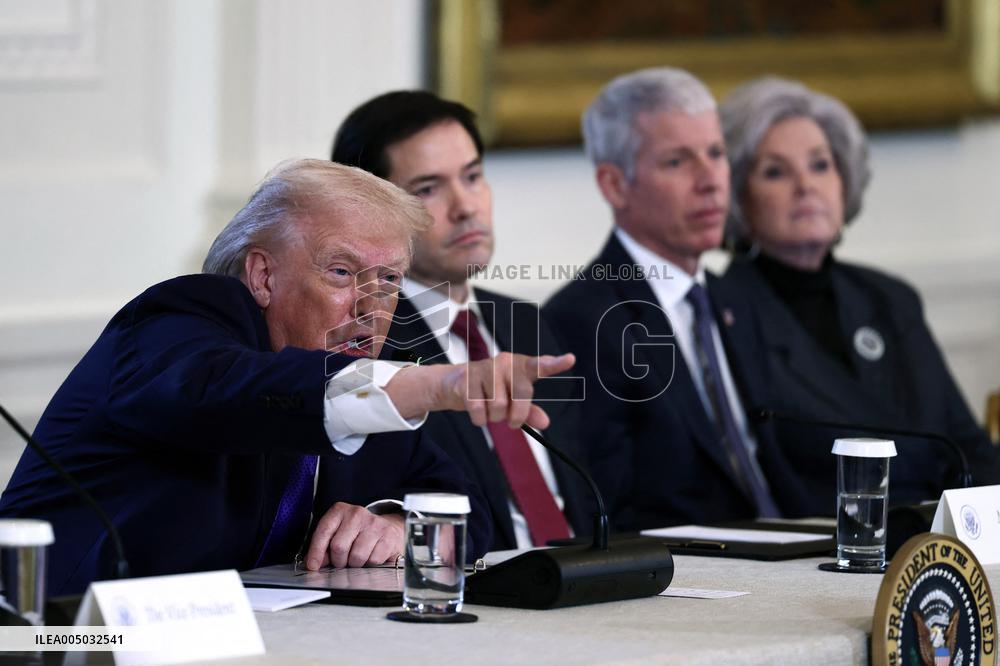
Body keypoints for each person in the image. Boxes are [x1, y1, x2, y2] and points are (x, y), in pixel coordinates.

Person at [0, 159, 574, 595]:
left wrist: (399, 524)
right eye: (342, 272)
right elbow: (231, 391)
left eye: (391, 280)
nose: (371, 308)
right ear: (262, 275)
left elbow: (468, 506)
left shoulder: (371, 376)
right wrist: (433, 385)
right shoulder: (182, 320)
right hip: (63, 630)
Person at [544, 68, 810, 533]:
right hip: (692, 576)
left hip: (794, 549)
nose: (710, 181)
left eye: (716, 154)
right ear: (615, 185)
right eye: (677, 162)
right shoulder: (581, 320)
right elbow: (610, 510)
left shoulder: (739, 299)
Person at [718, 76, 998, 510]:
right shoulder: (723, 311)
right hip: (819, 554)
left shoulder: (890, 298)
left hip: (936, 545)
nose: (805, 185)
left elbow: (967, 446)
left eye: (820, 164)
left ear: (844, 179)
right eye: (775, 171)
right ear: (737, 199)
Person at [332, 91, 591, 550]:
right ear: (373, 212)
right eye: (428, 189)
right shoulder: (366, 339)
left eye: (472, 177)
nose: (466, 206)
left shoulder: (526, 322)